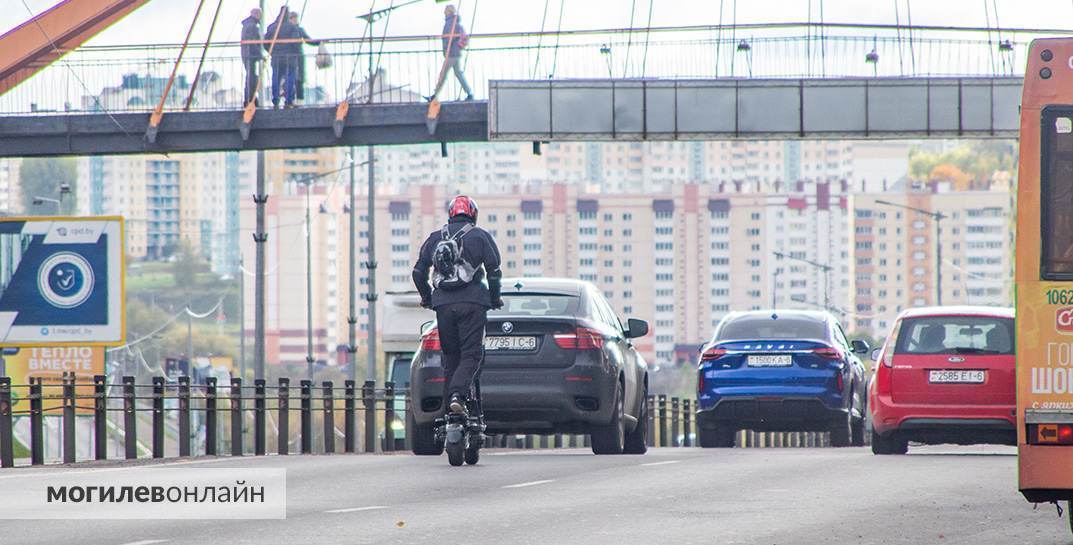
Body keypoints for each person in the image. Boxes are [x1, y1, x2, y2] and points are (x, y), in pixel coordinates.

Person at [412, 196, 502, 415]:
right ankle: (457, 396)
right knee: (471, 355)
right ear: (473, 214)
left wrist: (427, 297)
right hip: (473, 303)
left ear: (451, 214)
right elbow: (494, 271)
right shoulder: (480, 236)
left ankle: (449, 414)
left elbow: (417, 272)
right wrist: (494, 297)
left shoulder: (435, 238)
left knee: (450, 355)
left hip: (443, 305)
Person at [429, 4, 474, 102]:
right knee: (458, 73)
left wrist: (446, 50)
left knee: (443, 74)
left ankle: (434, 96)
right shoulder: (456, 23)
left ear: (449, 12)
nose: (444, 12)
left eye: (445, 10)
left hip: (451, 53)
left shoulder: (450, 23)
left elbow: (448, 38)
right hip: (455, 53)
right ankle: (470, 93)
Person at [263, 8, 300, 109]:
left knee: (276, 78)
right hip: (289, 57)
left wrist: (271, 52)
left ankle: (275, 100)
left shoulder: (272, 27)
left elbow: (265, 43)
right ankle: (289, 101)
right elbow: (295, 43)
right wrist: (296, 53)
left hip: (276, 57)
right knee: (289, 79)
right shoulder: (292, 27)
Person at [288, 12, 320, 104]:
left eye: (295, 18)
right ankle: (293, 99)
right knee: (293, 78)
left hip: (296, 57)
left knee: (298, 78)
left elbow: (308, 40)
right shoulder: (294, 30)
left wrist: (318, 42)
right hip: (292, 57)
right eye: (292, 18)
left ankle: (298, 99)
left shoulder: (298, 30)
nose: (294, 20)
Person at [240, 8, 262, 106]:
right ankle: (250, 99)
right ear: (256, 14)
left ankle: (251, 98)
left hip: (246, 54)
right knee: (251, 77)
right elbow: (252, 42)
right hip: (250, 55)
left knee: (251, 76)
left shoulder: (247, 25)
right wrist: (260, 55)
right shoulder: (252, 26)